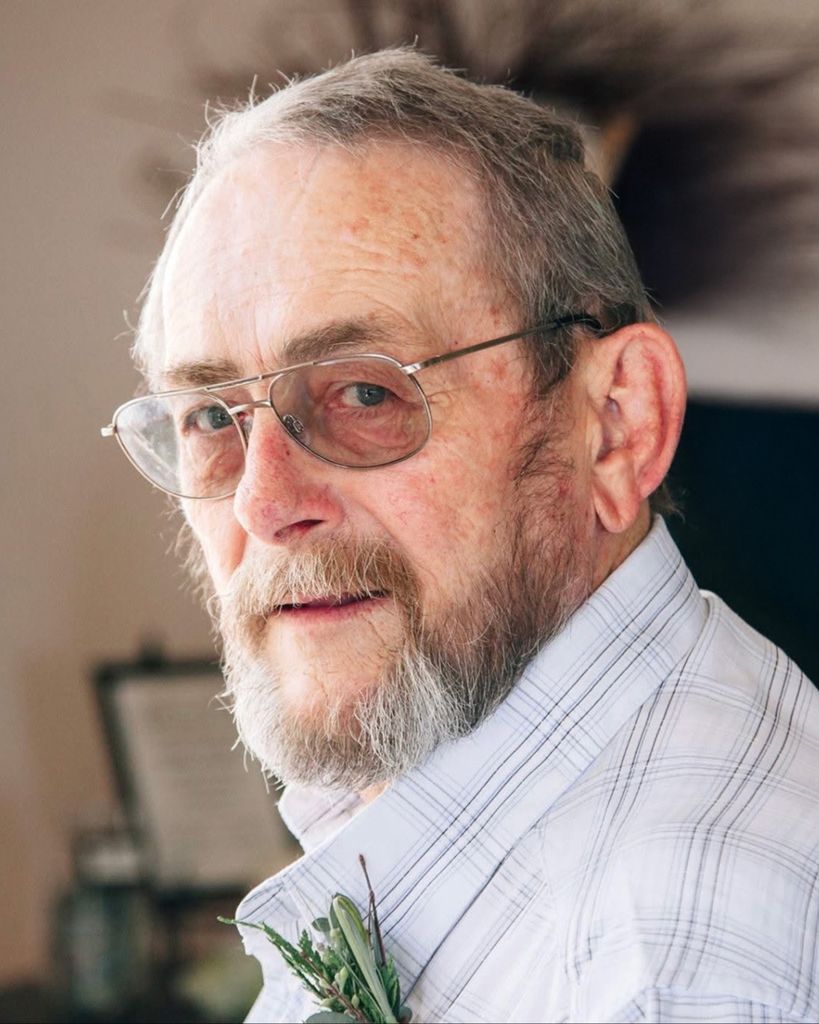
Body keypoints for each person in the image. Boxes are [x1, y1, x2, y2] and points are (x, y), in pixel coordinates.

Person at [102, 49, 819, 1023]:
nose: (264, 504)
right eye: (209, 418)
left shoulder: (674, 972)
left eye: (365, 393)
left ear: (616, 424)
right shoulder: (425, 816)